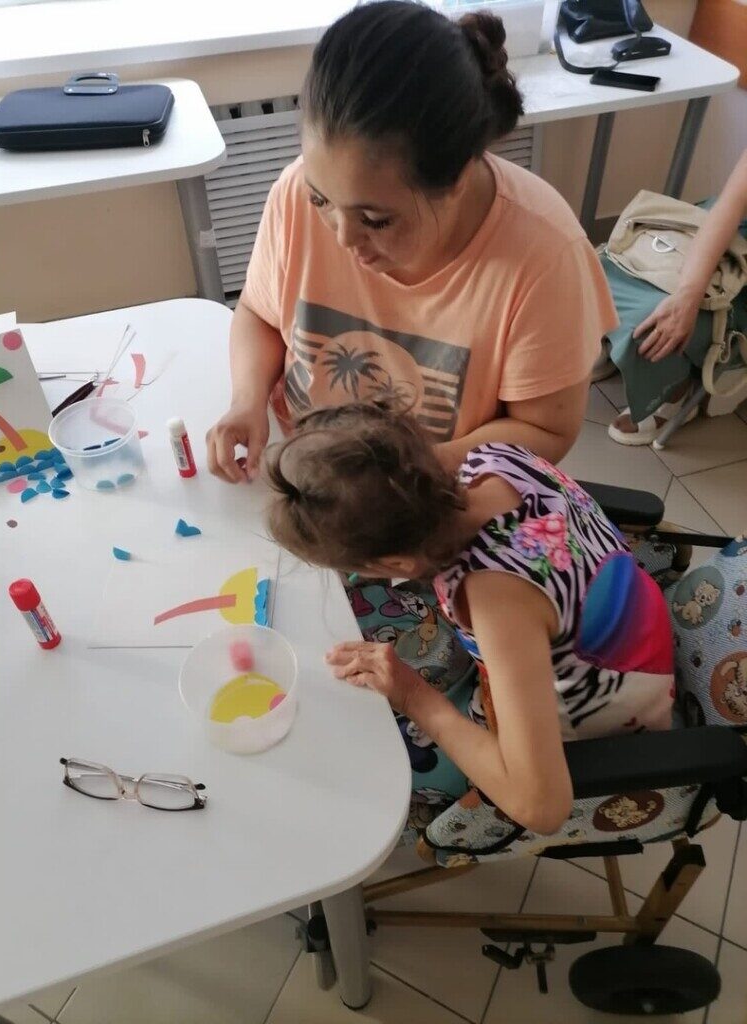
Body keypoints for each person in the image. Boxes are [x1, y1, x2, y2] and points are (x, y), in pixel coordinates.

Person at [207, 1, 617, 483]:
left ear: (457, 178)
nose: (342, 237)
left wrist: (411, 474)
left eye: (375, 220)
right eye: (321, 200)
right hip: (308, 475)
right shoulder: (295, 191)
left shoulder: (545, 256)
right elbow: (259, 313)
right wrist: (247, 400)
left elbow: (545, 429)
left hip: (436, 492)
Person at [265, 402, 674, 835]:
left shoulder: (499, 601)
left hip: (602, 714)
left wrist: (413, 696)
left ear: (398, 564)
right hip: (620, 631)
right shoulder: (493, 455)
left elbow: (541, 807)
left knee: (357, 757)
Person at [609, 148, 747, 445]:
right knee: (608, 271)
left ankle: (675, 390)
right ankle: (613, 346)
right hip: (730, 228)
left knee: (653, 316)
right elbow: (729, 207)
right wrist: (688, 294)